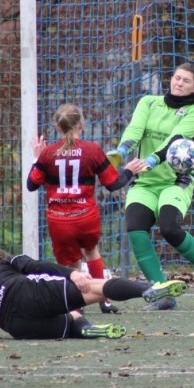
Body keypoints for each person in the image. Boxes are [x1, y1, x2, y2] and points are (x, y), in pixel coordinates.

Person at [107, 62, 194, 311]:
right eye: (176, 77)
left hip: (174, 182)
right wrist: (121, 151)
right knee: (136, 229)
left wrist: (151, 160)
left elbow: (175, 141)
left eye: (186, 80)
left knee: (170, 228)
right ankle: (163, 293)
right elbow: (135, 129)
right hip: (144, 183)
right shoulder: (149, 102)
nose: (179, 83)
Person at [27, 103, 145, 314]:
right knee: (91, 252)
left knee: (72, 267)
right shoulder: (92, 150)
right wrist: (128, 171)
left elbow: (31, 185)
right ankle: (104, 300)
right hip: (86, 218)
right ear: (81, 124)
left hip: (59, 221)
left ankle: (75, 305)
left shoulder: (48, 154)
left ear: (57, 127)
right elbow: (113, 184)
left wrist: (37, 157)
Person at [0, 246, 187, 340]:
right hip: (29, 295)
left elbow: (4, 323)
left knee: (73, 317)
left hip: (19, 328)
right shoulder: (5, 264)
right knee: (97, 287)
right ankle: (148, 290)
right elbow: (35, 265)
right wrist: (72, 274)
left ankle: (87, 330)